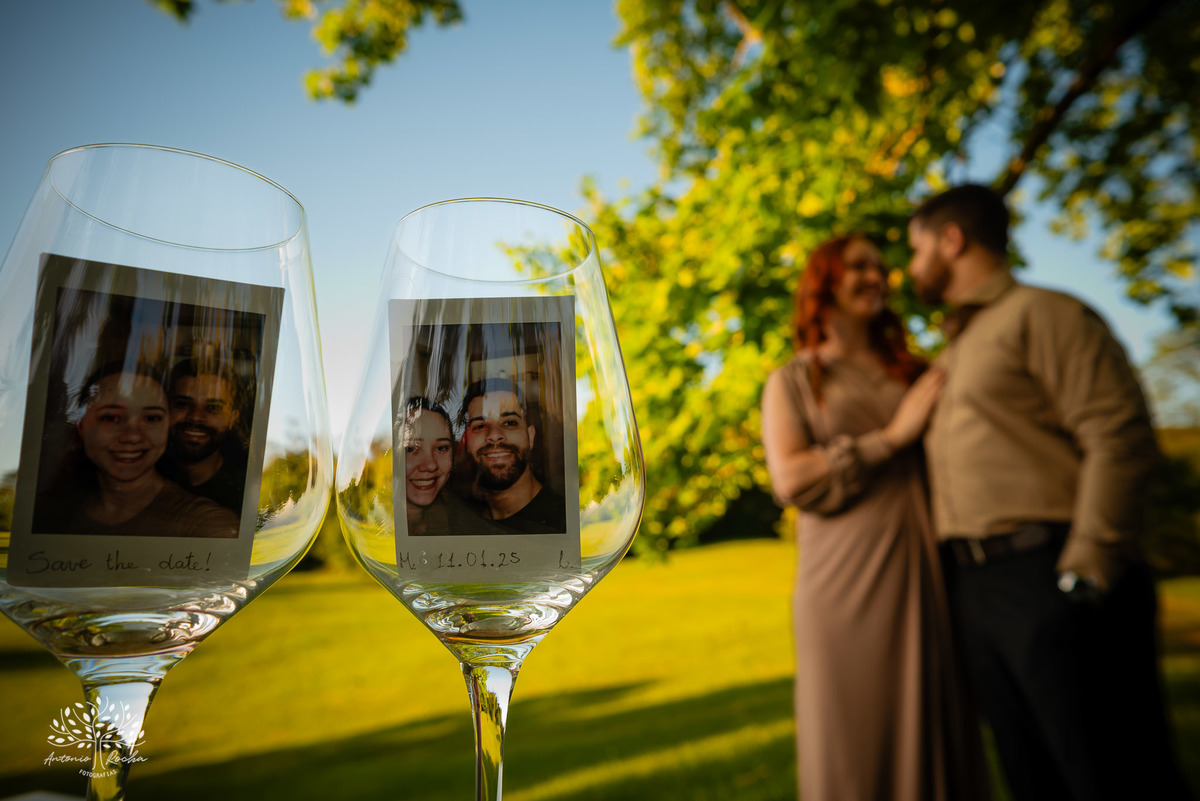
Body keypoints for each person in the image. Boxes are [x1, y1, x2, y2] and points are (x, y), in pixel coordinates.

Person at [907, 184, 1192, 801]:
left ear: (951, 240)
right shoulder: (955, 348)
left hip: (1055, 575)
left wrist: (1084, 573)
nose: (911, 267)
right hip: (980, 591)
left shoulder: (1046, 314)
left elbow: (1118, 435)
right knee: (1032, 776)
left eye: (916, 248)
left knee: (1114, 774)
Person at [761, 234, 988, 801]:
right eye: (858, 266)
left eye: (881, 269)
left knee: (941, 722)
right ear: (824, 282)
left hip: (931, 570)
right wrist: (890, 438)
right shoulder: (793, 381)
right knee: (854, 739)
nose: (876, 277)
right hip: (843, 586)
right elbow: (791, 479)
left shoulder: (916, 370)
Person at [65, 363, 240, 539]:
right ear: (80, 425)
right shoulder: (60, 505)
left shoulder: (213, 517)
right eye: (111, 418)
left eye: (151, 418)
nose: (132, 436)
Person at [458, 377, 566, 534]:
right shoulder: (460, 520)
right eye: (480, 426)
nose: (494, 435)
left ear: (531, 437)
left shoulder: (564, 521)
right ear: (466, 441)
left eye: (509, 422)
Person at [402, 396, 503, 537]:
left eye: (442, 448)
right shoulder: (372, 533)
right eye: (411, 449)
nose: (431, 465)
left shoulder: (465, 521)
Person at [163, 358, 248, 514]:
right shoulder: (138, 479)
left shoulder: (246, 493)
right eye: (183, 403)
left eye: (213, 407)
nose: (195, 417)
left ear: (232, 419)